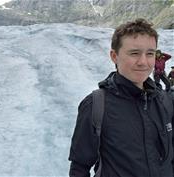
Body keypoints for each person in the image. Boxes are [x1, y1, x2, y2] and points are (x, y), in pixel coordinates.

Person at [69, 18, 174, 177]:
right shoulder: (96, 105)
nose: (143, 62)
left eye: (150, 53)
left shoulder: (164, 100)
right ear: (114, 56)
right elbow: (80, 167)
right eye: (134, 53)